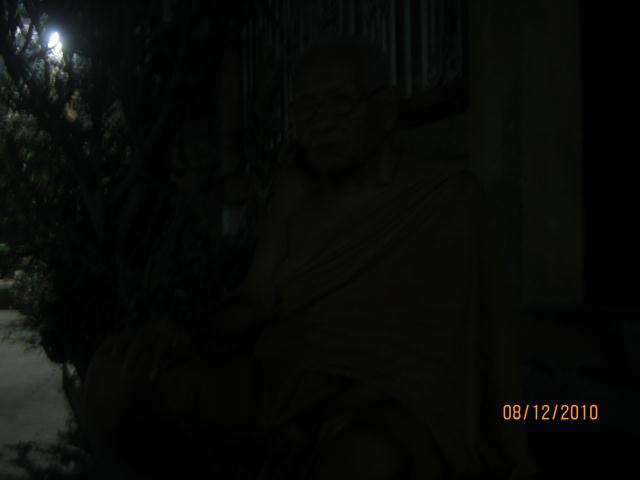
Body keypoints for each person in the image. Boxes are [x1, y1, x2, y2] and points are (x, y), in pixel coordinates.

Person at [82, 36, 536, 480]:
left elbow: (443, 357)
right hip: (289, 376)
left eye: (339, 103)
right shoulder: (295, 193)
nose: (319, 123)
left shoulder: (447, 199)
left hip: (389, 398)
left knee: (366, 459)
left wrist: (327, 417)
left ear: (385, 111)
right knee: (114, 379)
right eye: (304, 109)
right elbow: (256, 298)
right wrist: (187, 334)